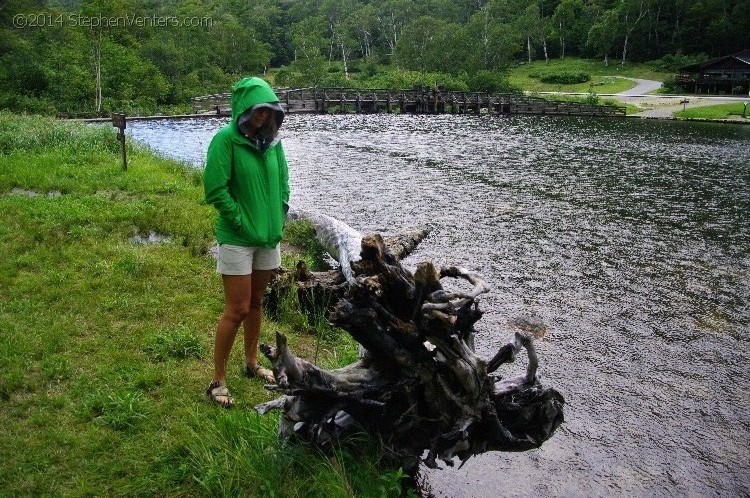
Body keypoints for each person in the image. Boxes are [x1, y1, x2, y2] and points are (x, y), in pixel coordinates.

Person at [203, 77, 290, 408]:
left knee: (256, 304)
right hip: (238, 240)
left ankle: (252, 363)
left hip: (268, 239)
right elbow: (215, 189)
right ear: (245, 109)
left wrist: (279, 215)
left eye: (268, 109)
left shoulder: (273, 146)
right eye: (257, 108)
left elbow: (283, 183)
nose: (262, 114)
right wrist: (240, 221)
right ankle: (217, 381)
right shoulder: (226, 141)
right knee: (236, 309)